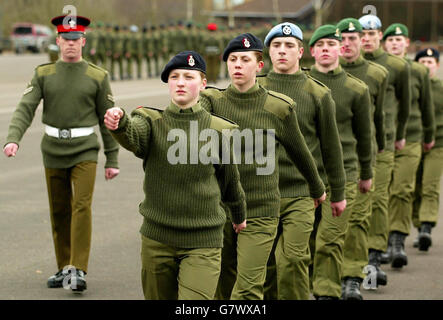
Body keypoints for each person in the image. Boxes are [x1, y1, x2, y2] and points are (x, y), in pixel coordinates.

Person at [104, 51, 247, 300]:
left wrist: (239, 216)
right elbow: (134, 136)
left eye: (188, 76)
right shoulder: (151, 121)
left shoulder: (221, 130)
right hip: (158, 239)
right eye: (175, 76)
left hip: (203, 241)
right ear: (168, 82)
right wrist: (121, 122)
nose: (181, 82)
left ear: (203, 83)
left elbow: (230, 181)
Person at [200, 33, 326, 300]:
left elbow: (300, 152)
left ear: (259, 66)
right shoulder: (212, 102)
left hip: (259, 207)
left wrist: (317, 188)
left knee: (246, 289)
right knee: (222, 278)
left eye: (245, 60)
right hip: (220, 207)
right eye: (232, 59)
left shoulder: (278, 107)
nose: (237, 65)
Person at [3, 14, 120, 293]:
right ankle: (65, 267)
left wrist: (112, 159)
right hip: (53, 150)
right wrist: (13, 139)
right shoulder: (43, 74)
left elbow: (107, 119)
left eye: (75, 39)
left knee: (81, 207)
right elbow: (25, 108)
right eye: (65, 40)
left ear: (83, 41)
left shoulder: (97, 76)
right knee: (59, 211)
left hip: (85, 151)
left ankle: (78, 269)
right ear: (57, 41)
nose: (70, 44)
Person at [258, 22, 346, 300]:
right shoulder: (254, 90)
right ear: (268, 52)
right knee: (266, 266)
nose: (282, 51)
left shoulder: (318, 94)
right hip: (260, 192)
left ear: (300, 52)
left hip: (301, 193)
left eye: (289, 46)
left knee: (293, 259)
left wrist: (338, 193)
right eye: (276, 46)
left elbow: (331, 149)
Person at [308, 24, 373, 300]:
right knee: (307, 241)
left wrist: (366, 173)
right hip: (307, 175)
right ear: (311, 51)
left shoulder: (356, 89)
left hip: (344, 173)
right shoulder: (300, 85)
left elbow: (365, 135)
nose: (326, 49)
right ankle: (314, 284)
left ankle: (328, 292)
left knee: (330, 238)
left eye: (331, 45)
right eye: (320, 45)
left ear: (340, 49)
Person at [337, 17, 389, 298]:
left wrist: (377, 153)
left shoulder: (377, 74)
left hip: (361, 157)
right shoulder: (320, 75)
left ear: (362, 41)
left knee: (358, 218)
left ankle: (353, 277)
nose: (346, 44)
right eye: (341, 39)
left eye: (352, 38)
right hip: (329, 160)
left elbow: (378, 119)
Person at [358, 14, 411, 269]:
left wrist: (399, 134)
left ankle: (375, 252)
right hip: (353, 145)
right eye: (363, 34)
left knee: (378, 197)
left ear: (380, 35)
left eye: (372, 33)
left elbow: (405, 106)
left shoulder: (396, 67)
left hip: (383, 142)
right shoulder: (348, 65)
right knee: (356, 202)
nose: (367, 38)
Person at [383, 23, 435, 260]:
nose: (395, 43)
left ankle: (397, 241)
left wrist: (429, 136)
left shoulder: (418, 71)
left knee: (403, 189)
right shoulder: (377, 68)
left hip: (411, 137)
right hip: (381, 139)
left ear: (407, 43)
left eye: (399, 39)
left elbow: (426, 107)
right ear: (385, 43)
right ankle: (379, 242)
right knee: (382, 192)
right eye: (390, 40)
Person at [412, 48, 442, 251]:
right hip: (413, 143)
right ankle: (417, 223)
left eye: (431, 61)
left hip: (438, 143)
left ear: (437, 65)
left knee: (430, 186)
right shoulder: (411, 87)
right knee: (413, 188)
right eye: (423, 61)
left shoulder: (441, 88)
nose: (427, 64)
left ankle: (426, 227)